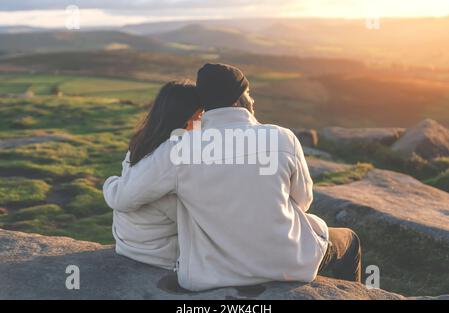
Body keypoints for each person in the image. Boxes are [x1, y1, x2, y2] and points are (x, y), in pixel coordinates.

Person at [104, 63, 361, 291]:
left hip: (214, 273)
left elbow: (126, 196)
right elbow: (303, 201)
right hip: (288, 261)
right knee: (349, 241)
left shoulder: (178, 149)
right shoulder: (282, 137)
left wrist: (111, 183)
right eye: (249, 94)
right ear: (242, 99)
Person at [103, 80, 202, 270]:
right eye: (201, 114)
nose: (203, 121)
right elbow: (122, 198)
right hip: (158, 254)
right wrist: (112, 183)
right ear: (185, 115)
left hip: (133, 244)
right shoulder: (171, 152)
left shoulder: (147, 141)